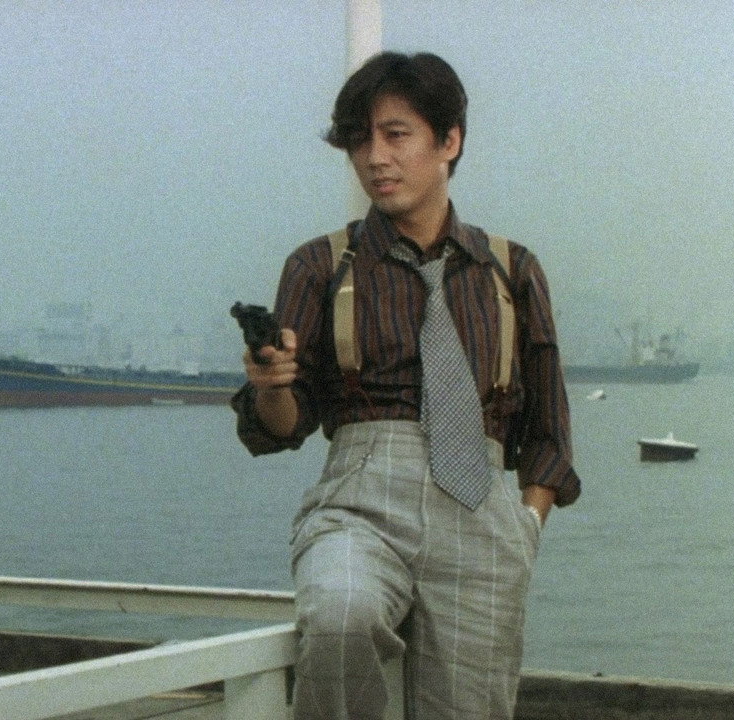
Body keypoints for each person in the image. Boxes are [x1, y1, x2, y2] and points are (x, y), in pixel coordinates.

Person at [232, 52, 581, 720]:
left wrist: (525, 527)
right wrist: (272, 383)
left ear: (449, 141)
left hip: (482, 513)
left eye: (396, 135)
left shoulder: (511, 270)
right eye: (359, 140)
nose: (375, 158)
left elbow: (549, 428)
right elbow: (281, 425)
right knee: (339, 617)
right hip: (360, 501)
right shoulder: (319, 265)